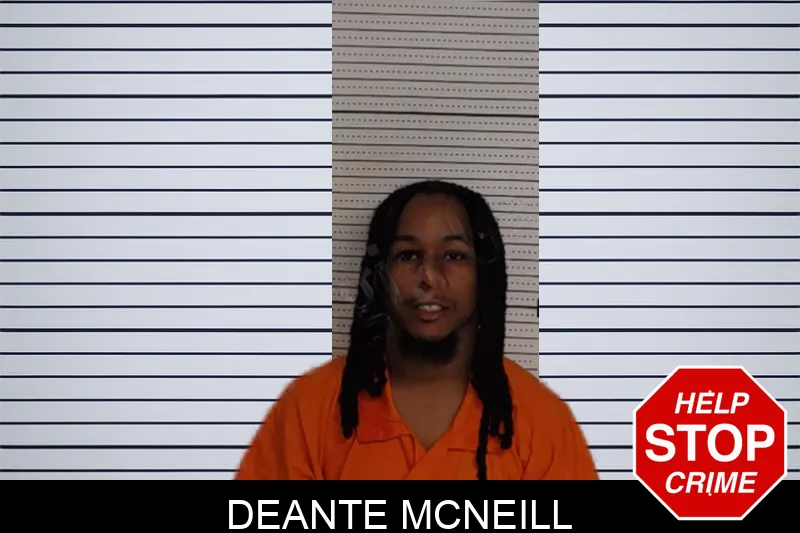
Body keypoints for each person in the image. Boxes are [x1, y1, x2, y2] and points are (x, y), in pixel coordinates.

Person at [235, 180, 598, 480]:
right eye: (408, 255)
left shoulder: (541, 421)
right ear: (379, 275)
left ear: (484, 276)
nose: (429, 277)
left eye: (454, 256)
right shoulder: (309, 409)